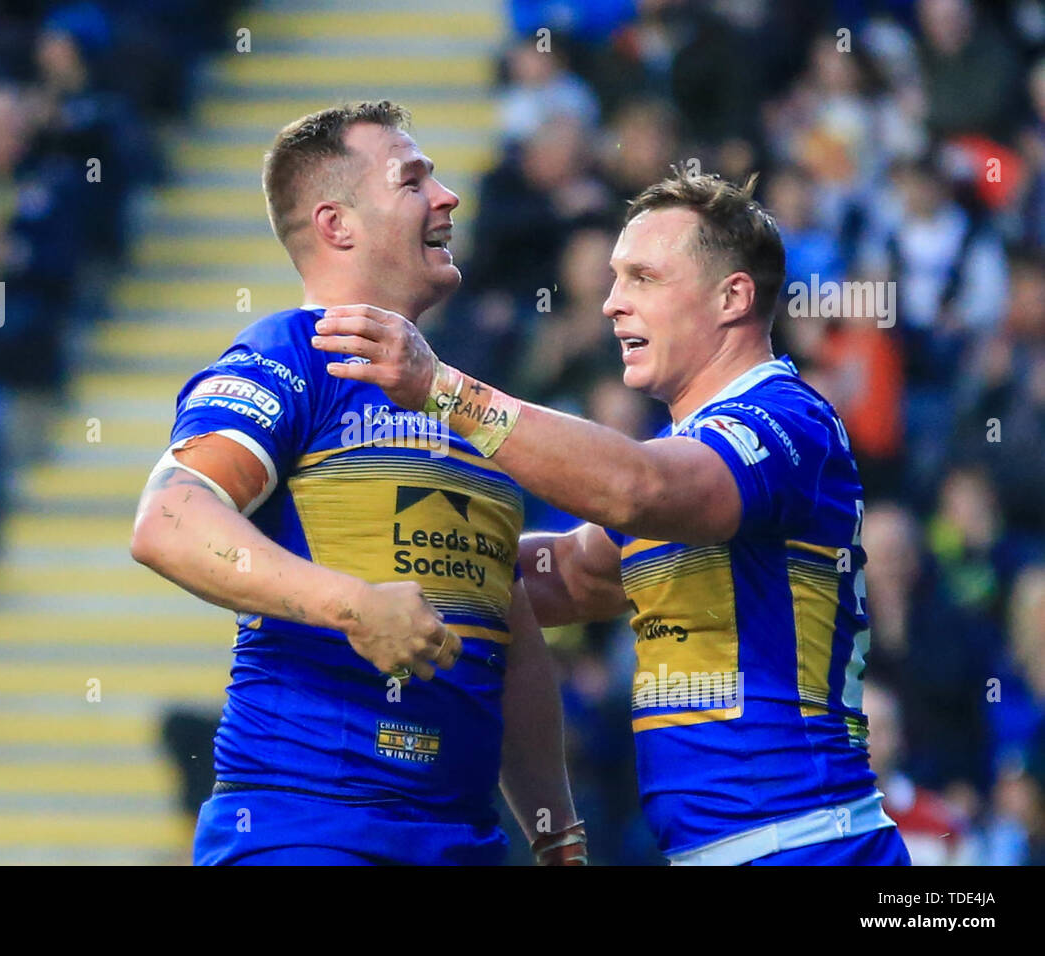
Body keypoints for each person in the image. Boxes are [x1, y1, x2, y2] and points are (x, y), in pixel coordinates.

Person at [311, 167, 911, 865]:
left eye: (643, 279)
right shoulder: (683, 452)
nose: (611, 303)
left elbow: (636, 489)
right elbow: (564, 572)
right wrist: (351, 577)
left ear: (732, 297)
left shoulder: (787, 419)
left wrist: (442, 390)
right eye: (615, 279)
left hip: (810, 845)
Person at [129, 102, 582, 866]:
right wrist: (355, 606)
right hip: (307, 829)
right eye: (413, 180)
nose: (448, 198)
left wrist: (555, 829)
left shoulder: (458, 396)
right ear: (337, 225)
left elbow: (506, 622)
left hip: (463, 842)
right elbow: (168, 520)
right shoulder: (296, 353)